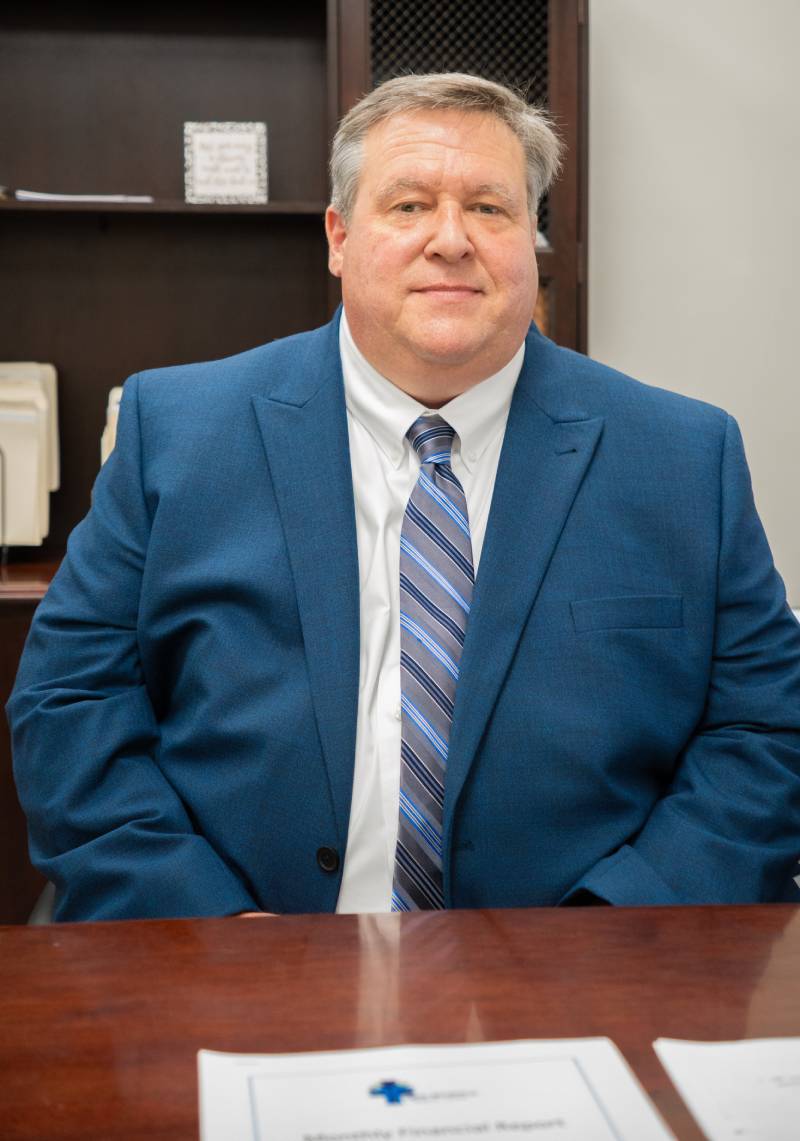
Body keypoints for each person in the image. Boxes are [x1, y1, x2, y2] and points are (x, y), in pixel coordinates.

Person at [8, 73, 800, 922]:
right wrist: (213, 929)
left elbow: (763, 733)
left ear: (532, 236)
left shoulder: (683, 457)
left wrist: (606, 934)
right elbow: (71, 703)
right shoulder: (178, 432)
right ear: (340, 237)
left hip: (583, 973)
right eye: (410, 205)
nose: (451, 240)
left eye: (491, 208)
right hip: (230, 955)